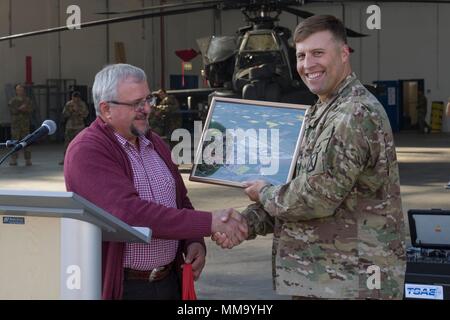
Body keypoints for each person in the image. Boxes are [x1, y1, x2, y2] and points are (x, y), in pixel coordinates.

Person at [213, 15, 406, 300]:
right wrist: (247, 222)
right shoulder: (322, 110)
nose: (307, 65)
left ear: (343, 54)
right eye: (301, 55)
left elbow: (318, 196)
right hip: (322, 276)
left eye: (318, 53)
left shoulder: (353, 113)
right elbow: (295, 184)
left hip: (352, 281)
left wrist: (264, 193)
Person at [64, 64, 247, 300]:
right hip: (125, 287)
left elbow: (180, 201)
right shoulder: (88, 150)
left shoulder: (155, 144)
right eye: (136, 103)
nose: (147, 108)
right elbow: (129, 214)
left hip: (168, 281)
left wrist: (192, 241)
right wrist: (209, 222)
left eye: (148, 99)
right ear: (106, 109)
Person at [59, 91, 89, 165]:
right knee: (67, 143)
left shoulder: (82, 104)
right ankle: (65, 159)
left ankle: (80, 159)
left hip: (79, 127)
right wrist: (70, 111)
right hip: (70, 126)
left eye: (77, 98)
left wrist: (78, 111)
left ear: (79, 98)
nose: (75, 100)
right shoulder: (69, 104)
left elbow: (85, 114)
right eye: (73, 98)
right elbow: (64, 114)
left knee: (80, 144)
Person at [8, 84, 34, 166]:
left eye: (21, 89)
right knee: (15, 142)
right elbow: (12, 111)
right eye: (18, 90)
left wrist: (25, 109)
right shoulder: (12, 101)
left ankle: (28, 159)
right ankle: (14, 159)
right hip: (16, 125)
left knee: (27, 141)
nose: (20, 91)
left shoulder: (27, 100)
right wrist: (20, 109)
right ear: (16, 91)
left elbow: (31, 110)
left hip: (25, 124)